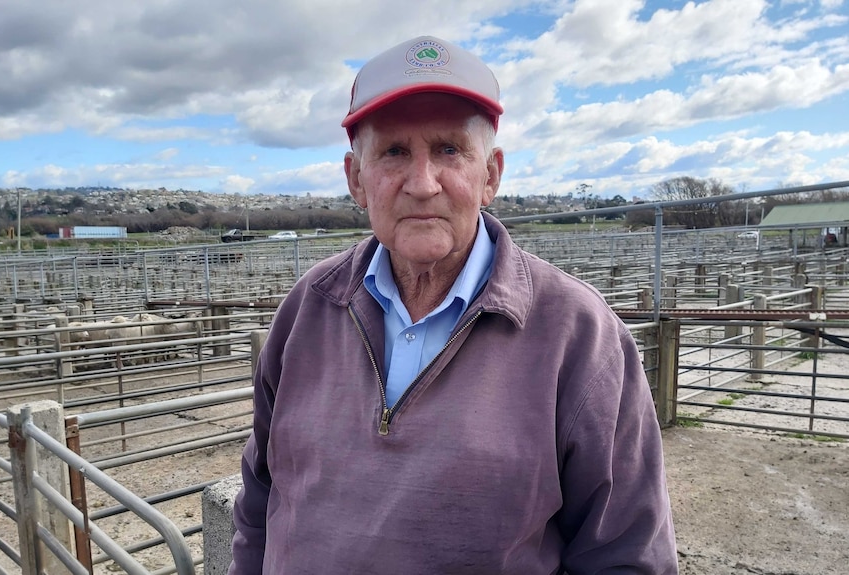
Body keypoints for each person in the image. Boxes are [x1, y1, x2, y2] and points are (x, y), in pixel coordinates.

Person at [229, 35, 678, 574]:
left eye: (449, 149)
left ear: (489, 175)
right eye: (393, 152)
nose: (422, 184)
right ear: (356, 180)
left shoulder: (578, 334)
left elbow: (626, 555)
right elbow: (259, 500)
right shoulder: (307, 309)